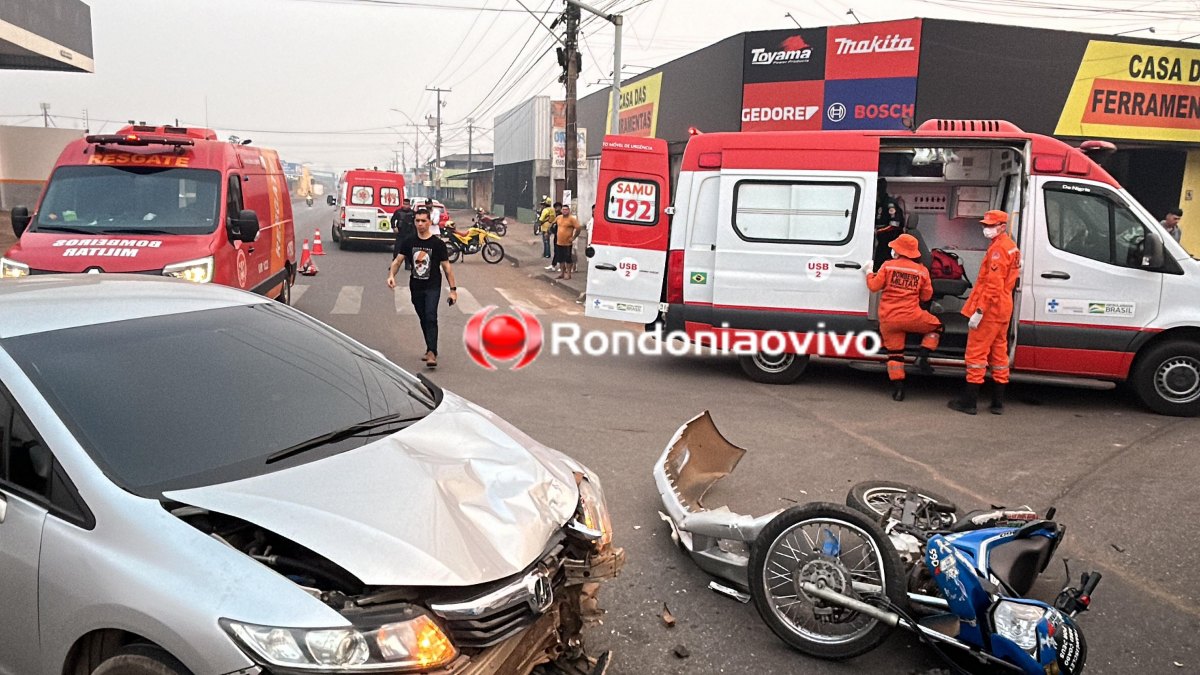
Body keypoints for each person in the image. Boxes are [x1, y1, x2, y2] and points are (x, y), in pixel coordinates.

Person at [949, 210, 1021, 415]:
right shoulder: (1011, 247)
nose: (986, 229)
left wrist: (980, 310)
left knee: (976, 355)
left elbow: (993, 286)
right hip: (1004, 308)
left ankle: (969, 402)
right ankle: (998, 403)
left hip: (990, 308)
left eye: (990, 225)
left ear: (1002, 226)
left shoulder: (998, 250)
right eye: (986, 225)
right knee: (999, 355)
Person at [865, 233, 943, 401]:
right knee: (938, 326)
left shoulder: (888, 266)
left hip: (888, 319)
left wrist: (868, 273)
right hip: (912, 317)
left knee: (895, 355)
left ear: (898, 250)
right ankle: (922, 356)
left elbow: (873, 286)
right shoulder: (922, 271)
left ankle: (898, 390)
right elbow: (926, 297)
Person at [387, 208, 458, 369]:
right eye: (417, 221)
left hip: (433, 286)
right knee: (423, 317)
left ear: (429, 222)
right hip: (416, 286)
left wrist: (453, 290)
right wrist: (392, 275)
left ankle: (432, 352)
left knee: (431, 316)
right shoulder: (409, 242)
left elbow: (447, 268)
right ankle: (429, 347)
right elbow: (398, 261)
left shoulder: (437, 244)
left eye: (423, 221)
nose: (420, 224)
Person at [554, 203, 581, 281]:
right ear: (561, 210)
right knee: (561, 259)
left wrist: (574, 237)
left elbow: (578, 228)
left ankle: (569, 274)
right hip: (559, 242)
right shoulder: (558, 218)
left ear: (569, 210)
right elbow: (553, 224)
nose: (564, 211)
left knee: (568, 259)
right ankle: (562, 273)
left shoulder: (572, 219)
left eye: (566, 210)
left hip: (567, 243)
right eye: (563, 209)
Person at [390, 197, 416, 269]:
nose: (405, 206)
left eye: (407, 204)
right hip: (400, 233)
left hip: (409, 234)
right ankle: (394, 265)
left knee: (408, 250)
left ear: (409, 205)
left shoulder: (413, 213)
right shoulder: (398, 212)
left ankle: (407, 265)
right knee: (397, 250)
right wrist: (394, 227)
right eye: (404, 204)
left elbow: (416, 222)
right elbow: (393, 220)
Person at [541, 201, 560, 268]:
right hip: (555, 233)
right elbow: (552, 223)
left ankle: (547, 254)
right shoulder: (554, 212)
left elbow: (542, 219)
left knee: (546, 242)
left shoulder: (546, 210)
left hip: (560, 235)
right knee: (556, 250)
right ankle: (554, 264)